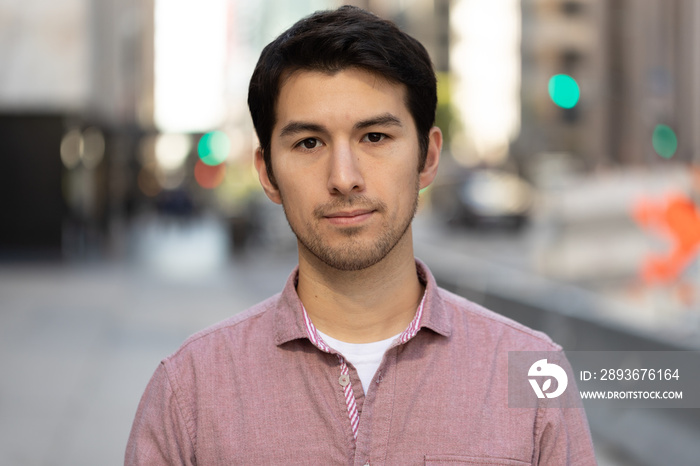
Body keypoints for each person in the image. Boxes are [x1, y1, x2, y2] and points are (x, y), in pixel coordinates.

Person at [126, 5, 596, 465]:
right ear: (267, 172)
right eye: (309, 143)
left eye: (374, 137)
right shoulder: (189, 389)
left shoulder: (533, 373)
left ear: (427, 158)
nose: (344, 177)